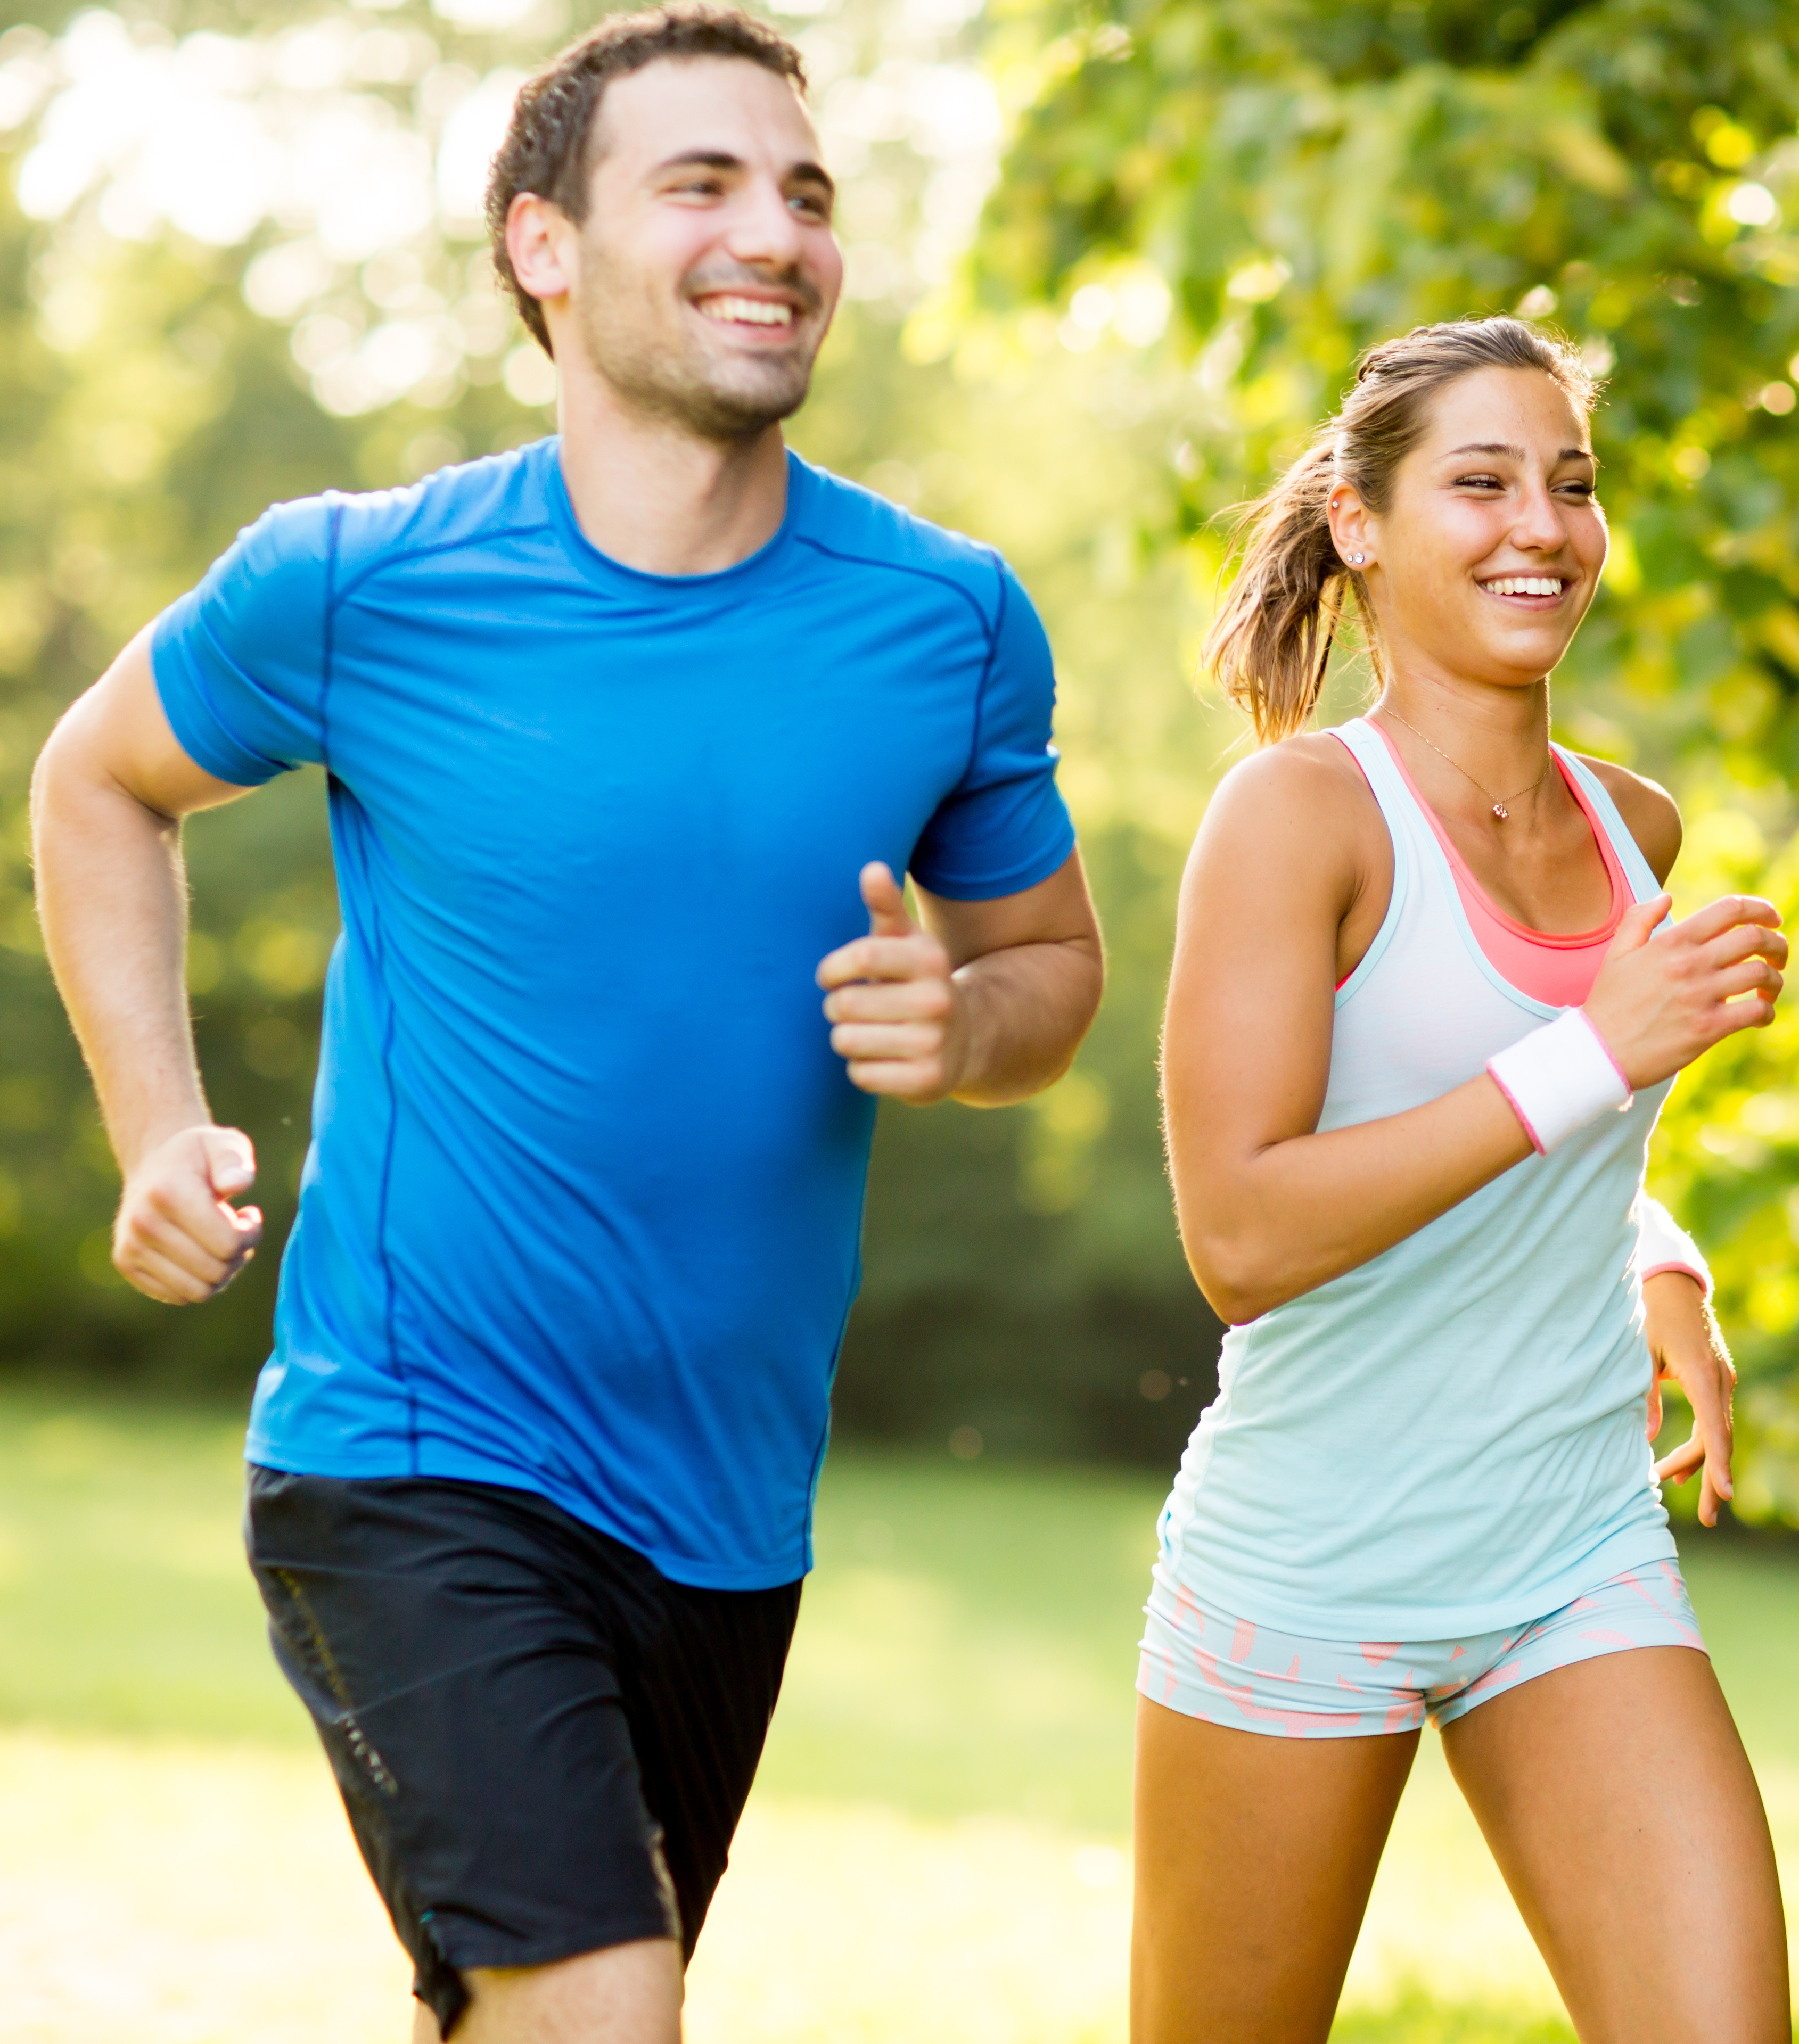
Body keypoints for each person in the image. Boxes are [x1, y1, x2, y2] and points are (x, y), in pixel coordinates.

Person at [26, 9, 1101, 2039]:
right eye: (700, 184)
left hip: (725, 1511)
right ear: (544, 246)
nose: (771, 233)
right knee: (606, 2004)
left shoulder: (946, 618)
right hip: (414, 1450)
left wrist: (962, 1028)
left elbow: (1051, 969)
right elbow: (97, 780)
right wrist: (157, 1127)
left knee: (518, 2014)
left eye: (804, 193)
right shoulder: (357, 587)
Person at [1140, 316, 1794, 2043]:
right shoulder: (1298, 820)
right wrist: (1606, 1048)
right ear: (1359, 523)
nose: (1544, 527)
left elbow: (1500, 1120)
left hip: (1571, 1541)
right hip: (1312, 1558)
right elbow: (1242, 1233)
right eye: (1481, 481)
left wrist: (1661, 1256)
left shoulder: (1629, 828)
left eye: (1572, 485)